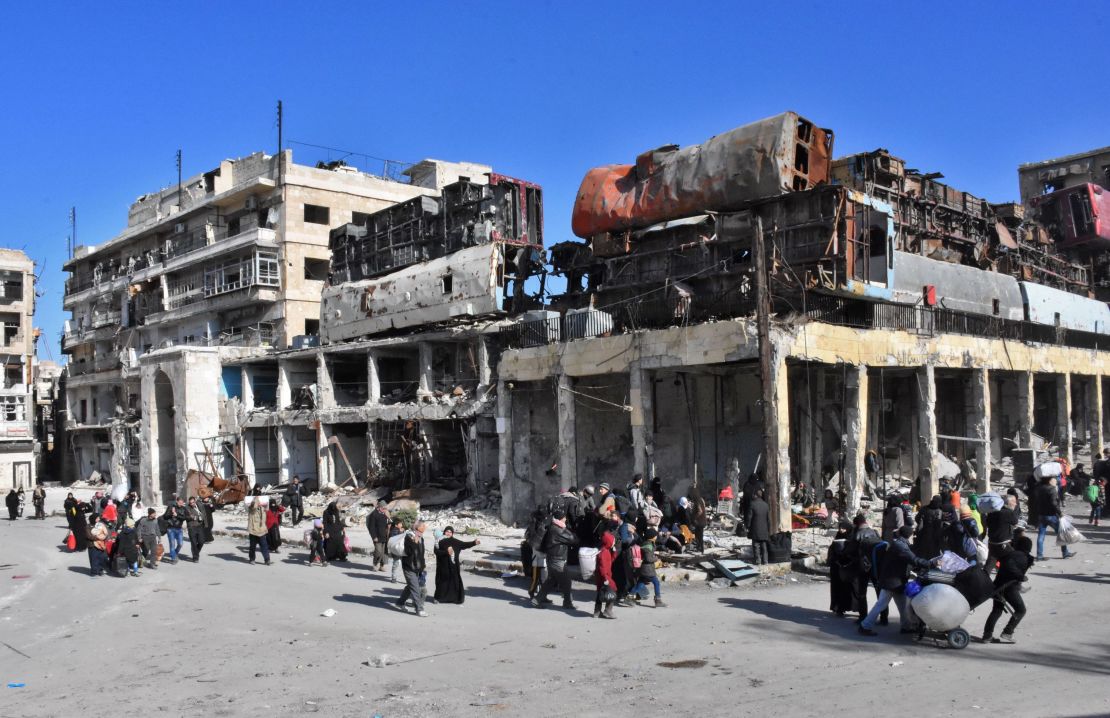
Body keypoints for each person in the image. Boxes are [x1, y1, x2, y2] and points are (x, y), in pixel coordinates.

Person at [858, 525, 933, 637]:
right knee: (881, 605)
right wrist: (930, 563)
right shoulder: (900, 546)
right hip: (892, 581)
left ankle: (906, 627)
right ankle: (865, 626)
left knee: (903, 605)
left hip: (896, 580)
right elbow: (913, 559)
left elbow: (907, 561)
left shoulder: (900, 544)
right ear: (909, 535)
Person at [980, 530, 1034, 644]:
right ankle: (1008, 632)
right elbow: (1010, 567)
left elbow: (1005, 563)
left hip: (998, 586)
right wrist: (1020, 576)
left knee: (997, 611)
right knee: (1021, 610)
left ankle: (987, 636)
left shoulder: (1012, 554)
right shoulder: (1021, 556)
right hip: (1009, 587)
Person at [534, 509, 578, 609]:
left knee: (551, 581)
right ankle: (567, 602)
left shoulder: (555, 527)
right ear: (560, 519)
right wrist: (568, 530)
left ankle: (537, 600)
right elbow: (572, 539)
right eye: (564, 517)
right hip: (557, 560)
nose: (566, 519)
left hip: (554, 558)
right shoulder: (557, 529)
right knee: (566, 581)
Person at [434, 526, 480, 604]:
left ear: (452, 533)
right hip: (442, 567)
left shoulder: (455, 542)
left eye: (450, 532)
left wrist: (474, 543)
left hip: (453, 567)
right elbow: (436, 552)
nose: (448, 533)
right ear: (444, 532)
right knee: (442, 583)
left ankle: (455, 599)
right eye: (446, 531)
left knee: (454, 583)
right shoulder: (439, 541)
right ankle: (438, 598)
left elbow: (465, 544)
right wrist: (446, 552)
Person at [1034, 476, 1076, 561]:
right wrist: (1060, 513)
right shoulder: (1052, 489)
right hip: (1051, 515)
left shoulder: (1039, 488)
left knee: (1041, 535)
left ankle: (1039, 555)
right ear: (1049, 480)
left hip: (1041, 515)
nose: (1056, 480)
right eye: (1054, 479)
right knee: (1061, 533)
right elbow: (1053, 503)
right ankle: (1065, 553)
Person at [395, 520, 428, 617]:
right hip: (409, 567)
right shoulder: (408, 537)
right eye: (420, 531)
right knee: (415, 588)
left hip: (418, 567)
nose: (422, 533)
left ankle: (400, 603)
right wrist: (415, 543)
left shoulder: (421, 538)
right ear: (415, 528)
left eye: (423, 531)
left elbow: (421, 554)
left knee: (410, 586)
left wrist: (423, 566)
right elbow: (408, 552)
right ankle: (419, 609)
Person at [827, 519, 859, 616]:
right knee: (838, 588)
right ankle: (839, 608)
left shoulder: (853, 537)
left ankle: (854, 608)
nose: (841, 530)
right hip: (837, 566)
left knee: (851, 588)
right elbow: (832, 550)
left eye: (843, 528)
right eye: (840, 528)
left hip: (849, 567)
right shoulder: (838, 536)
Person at [631, 527, 666, 608]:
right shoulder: (648, 545)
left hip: (644, 569)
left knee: (640, 584)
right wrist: (657, 558)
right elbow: (648, 558)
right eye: (655, 535)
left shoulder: (647, 543)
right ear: (652, 537)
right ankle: (658, 600)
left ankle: (629, 598)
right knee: (656, 583)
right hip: (648, 569)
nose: (656, 537)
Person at [985, 494, 1019, 575]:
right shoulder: (1008, 513)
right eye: (1014, 502)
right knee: (1015, 562)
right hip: (1003, 544)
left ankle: (982, 583)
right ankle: (1016, 586)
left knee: (989, 566)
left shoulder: (992, 511)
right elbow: (1015, 521)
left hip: (992, 542)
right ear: (1007, 503)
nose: (1015, 504)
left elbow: (988, 523)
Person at [610, 512, 636, 605]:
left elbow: (624, 540)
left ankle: (621, 594)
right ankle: (619, 593)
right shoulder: (613, 524)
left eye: (614, 516)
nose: (612, 518)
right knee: (617, 574)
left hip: (620, 553)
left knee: (619, 574)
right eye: (611, 516)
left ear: (618, 517)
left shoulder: (623, 526)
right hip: (616, 553)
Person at [593, 531, 618, 619]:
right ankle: (608, 610)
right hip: (604, 576)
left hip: (602, 576)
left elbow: (610, 561)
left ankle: (597, 612)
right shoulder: (604, 552)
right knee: (613, 590)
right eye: (613, 541)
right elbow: (602, 567)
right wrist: (605, 578)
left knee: (600, 593)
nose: (614, 543)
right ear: (608, 542)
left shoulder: (606, 551)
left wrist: (614, 553)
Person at [914, 495, 945, 560]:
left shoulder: (924, 509)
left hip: (925, 533)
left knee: (924, 551)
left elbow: (917, 519)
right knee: (934, 551)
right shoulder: (940, 511)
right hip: (936, 534)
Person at [746, 489, 771, 565]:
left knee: (756, 545)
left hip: (755, 528)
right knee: (764, 545)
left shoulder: (752, 504)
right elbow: (768, 519)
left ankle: (758, 561)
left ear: (755, 495)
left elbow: (749, 517)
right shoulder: (766, 505)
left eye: (754, 494)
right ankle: (765, 561)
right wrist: (768, 529)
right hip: (764, 529)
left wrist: (747, 526)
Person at [367, 501, 391, 571]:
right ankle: (375, 564)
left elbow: (391, 523)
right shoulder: (374, 514)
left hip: (384, 536)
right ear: (379, 507)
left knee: (383, 552)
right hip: (377, 536)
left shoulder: (385, 515)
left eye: (386, 508)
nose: (385, 510)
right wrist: (374, 537)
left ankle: (382, 565)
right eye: (384, 508)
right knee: (378, 551)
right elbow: (371, 527)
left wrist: (388, 517)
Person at [247, 498, 272, 565]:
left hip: (261, 530)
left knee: (264, 546)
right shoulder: (251, 509)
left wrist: (265, 500)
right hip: (253, 530)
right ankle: (252, 559)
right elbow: (253, 506)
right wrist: (256, 499)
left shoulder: (262, 508)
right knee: (252, 546)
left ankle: (267, 559)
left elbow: (267, 507)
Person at [162, 496, 186, 564]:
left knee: (180, 544)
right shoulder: (170, 507)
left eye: (182, 503)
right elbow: (165, 516)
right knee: (172, 544)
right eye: (180, 503)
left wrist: (176, 514)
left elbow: (184, 518)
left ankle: (174, 553)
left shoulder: (183, 508)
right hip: (171, 528)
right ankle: (173, 558)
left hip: (179, 529)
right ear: (177, 501)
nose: (181, 504)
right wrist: (171, 513)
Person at [185, 496, 207, 562]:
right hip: (191, 527)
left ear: (195, 501)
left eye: (193, 502)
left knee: (201, 542)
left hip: (199, 526)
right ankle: (195, 557)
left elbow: (204, 514)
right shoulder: (186, 508)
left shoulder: (199, 506)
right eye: (191, 503)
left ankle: (195, 552)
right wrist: (191, 517)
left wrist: (205, 524)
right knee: (194, 543)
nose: (192, 504)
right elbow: (185, 516)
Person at [388, 517, 405, 582]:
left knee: (399, 563)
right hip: (396, 550)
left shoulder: (399, 530)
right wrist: (400, 532)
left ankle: (394, 577)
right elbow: (395, 538)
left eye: (401, 523)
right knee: (396, 563)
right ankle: (393, 577)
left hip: (400, 549)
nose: (401, 525)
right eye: (400, 524)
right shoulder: (394, 531)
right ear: (396, 525)